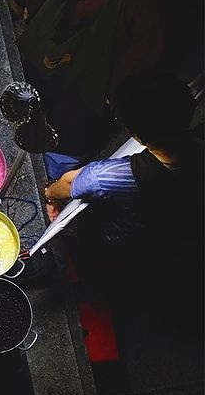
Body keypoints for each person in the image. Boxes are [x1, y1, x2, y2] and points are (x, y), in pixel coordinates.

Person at [42, 70, 203, 328]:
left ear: (138, 134)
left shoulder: (111, 177)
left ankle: (93, 289)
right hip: (164, 239)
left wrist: (49, 193)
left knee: (96, 264)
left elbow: (73, 184)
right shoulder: (195, 147)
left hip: (113, 242)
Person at [17, 0, 168, 179]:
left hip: (99, 47)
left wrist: (112, 93)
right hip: (62, 16)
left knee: (74, 113)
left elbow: (141, 52)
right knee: (35, 76)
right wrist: (32, 3)